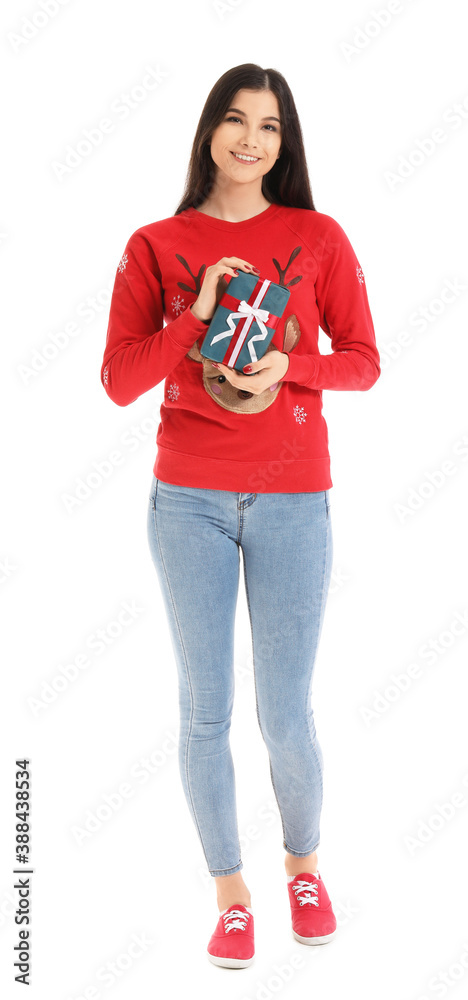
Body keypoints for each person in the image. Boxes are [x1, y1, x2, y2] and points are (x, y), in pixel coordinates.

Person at [100, 63, 380, 970]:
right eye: (233, 119)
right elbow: (118, 382)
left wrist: (286, 370)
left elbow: (365, 361)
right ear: (209, 132)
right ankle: (230, 892)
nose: (250, 138)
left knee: (287, 714)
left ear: (286, 143)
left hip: (297, 498)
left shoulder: (319, 236)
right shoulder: (156, 244)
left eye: (269, 125)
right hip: (187, 503)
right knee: (206, 713)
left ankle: (304, 867)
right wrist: (198, 317)